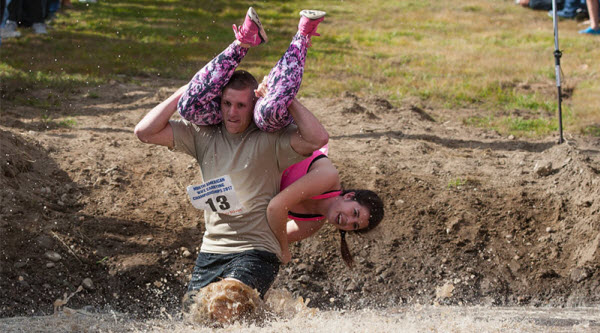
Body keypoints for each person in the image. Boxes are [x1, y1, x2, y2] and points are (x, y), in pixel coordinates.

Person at [134, 7, 328, 323]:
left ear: (254, 107)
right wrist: (182, 93)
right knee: (196, 323)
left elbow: (318, 137)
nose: (232, 113)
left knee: (228, 304)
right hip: (211, 251)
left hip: (257, 251)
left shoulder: (271, 139)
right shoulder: (202, 135)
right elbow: (144, 132)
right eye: (226, 104)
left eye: (241, 105)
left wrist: (286, 98)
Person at [266, 146, 385, 268]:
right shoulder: (328, 177)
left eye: (354, 225)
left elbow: (267, 239)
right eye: (355, 213)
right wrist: (285, 250)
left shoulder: (311, 225)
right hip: (262, 151)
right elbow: (275, 207)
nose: (348, 221)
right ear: (349, 196)